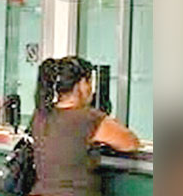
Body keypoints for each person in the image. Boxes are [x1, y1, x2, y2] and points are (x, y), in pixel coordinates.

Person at [30, 57, 140, 196]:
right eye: (90, 83)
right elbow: (131, 143)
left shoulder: (40, 115)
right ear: (82, 84)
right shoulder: (88, 118)